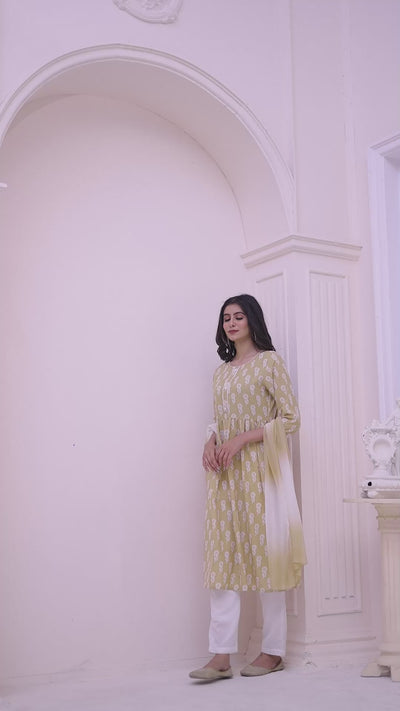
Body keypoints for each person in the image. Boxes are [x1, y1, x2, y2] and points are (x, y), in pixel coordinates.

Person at [189, 294, 306, 681]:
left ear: (252, 320)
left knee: (267, 554)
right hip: (225, 476)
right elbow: (218, 418)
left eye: (239, 316)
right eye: (226, 318)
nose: (232, 323)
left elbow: (290, 418)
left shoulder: (270, 363)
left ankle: (273, 651)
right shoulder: (220, 373)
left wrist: (242, 439)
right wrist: (211, 440)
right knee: (222, 557)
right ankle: (220, 656)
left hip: (261, 473)